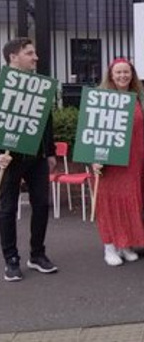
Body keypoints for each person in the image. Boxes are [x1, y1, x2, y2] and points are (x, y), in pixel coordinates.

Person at [92, 58, 144, 266]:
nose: (123, 76)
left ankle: (125, 243)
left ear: (132, 75)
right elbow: (92, 129)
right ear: (111, 75)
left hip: (135, 160)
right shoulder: (102, 98)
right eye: (118, 72)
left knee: (132, 200)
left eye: (126, 72)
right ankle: (110, 245)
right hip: (111, 161)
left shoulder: (141, 98)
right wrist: (95, 158)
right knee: (111, 202)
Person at [0, 38, 58, 282]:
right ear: (13, 57)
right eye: (29, 53)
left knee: (42, 205)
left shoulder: (39, 85)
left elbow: (46, 119)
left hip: (37, 157)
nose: (36, 57)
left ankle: (37, 255)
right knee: (7, 209)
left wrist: (51, 151)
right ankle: (11, 259)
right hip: (9, 158)